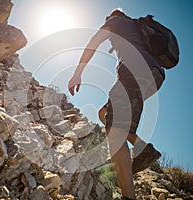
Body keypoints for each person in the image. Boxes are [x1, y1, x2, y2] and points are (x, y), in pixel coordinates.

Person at [68, 8, 164, 200]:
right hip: (154, 76)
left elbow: (93, 42)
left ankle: (129, 196)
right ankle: (143, 148)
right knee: (105, 114)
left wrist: (77, 73)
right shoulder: (135, 27)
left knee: (115, 135)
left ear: (111, 17)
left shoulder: (115, 22)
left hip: (134, 72)